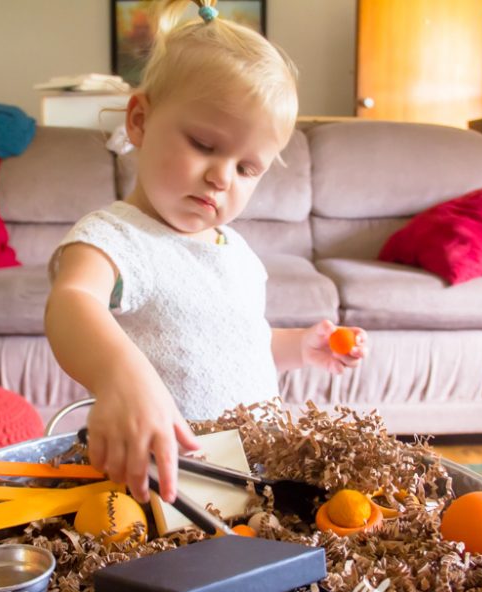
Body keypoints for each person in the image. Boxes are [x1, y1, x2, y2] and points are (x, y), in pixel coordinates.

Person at [46, 0, 367, 506]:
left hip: (258, 473)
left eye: (247, 169)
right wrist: (120, 376)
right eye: (203, 144)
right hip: (165, 485)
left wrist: (298, 346)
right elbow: (72, 301)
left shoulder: (235, 251)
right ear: (139, 120)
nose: (222, 177)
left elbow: (234, 344)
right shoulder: (116, 237)